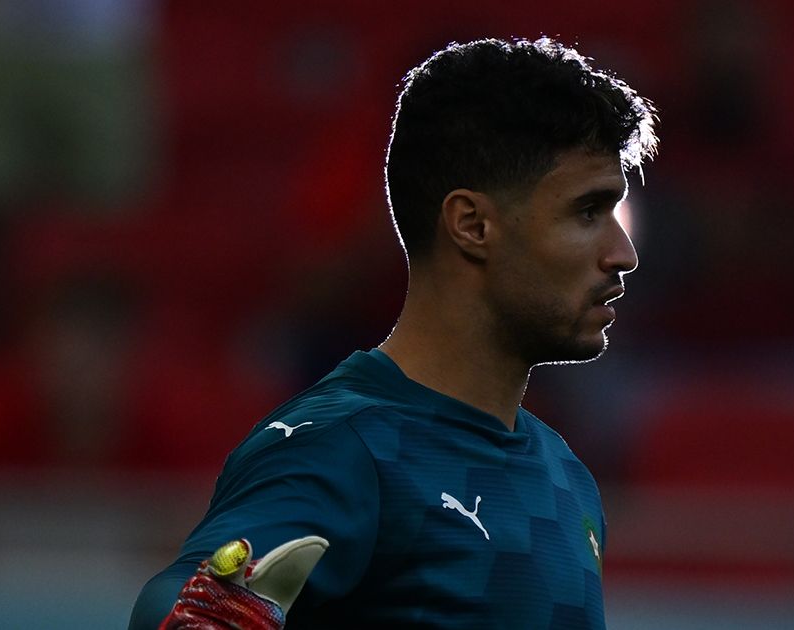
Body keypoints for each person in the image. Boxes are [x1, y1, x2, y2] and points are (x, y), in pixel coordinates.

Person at [129, 36, 657, 629]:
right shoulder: (343, 447)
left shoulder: (570, 480)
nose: (624, 253)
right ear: (472, 225)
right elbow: (183, 603)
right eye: (588, 212)